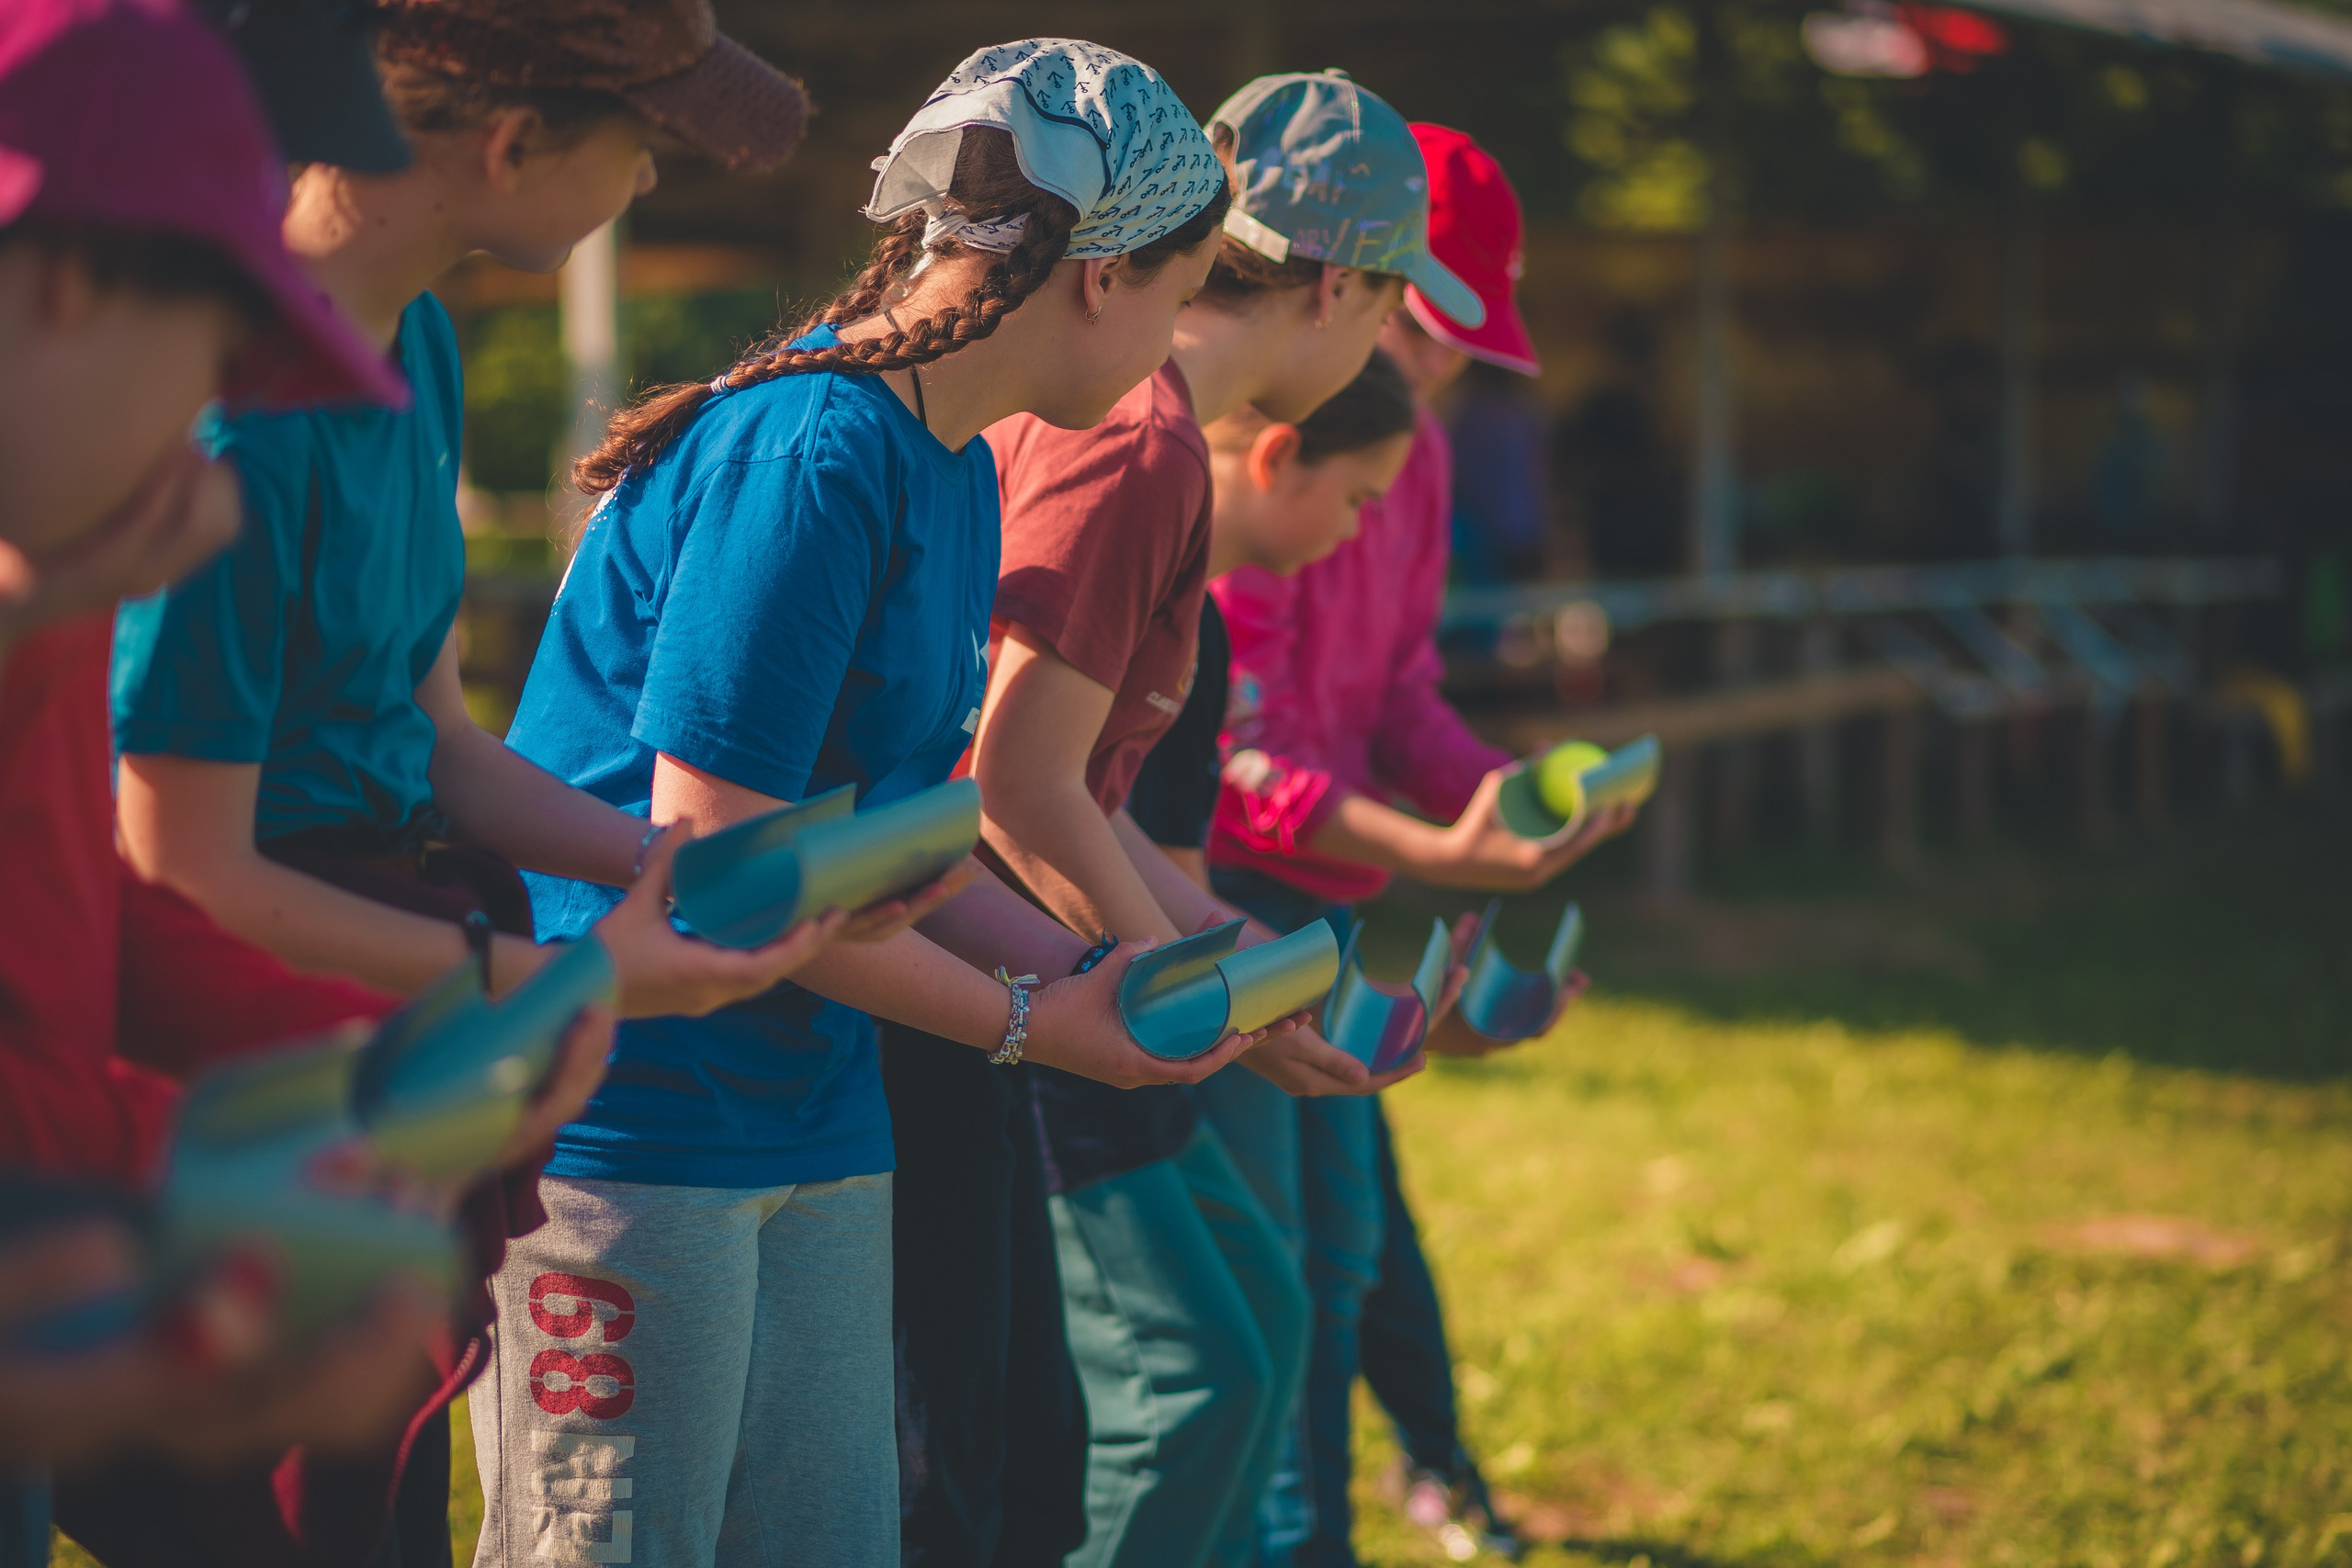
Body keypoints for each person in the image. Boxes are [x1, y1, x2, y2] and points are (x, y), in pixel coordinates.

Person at [484, 40, 1258, 1567]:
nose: (1180, 342)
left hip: (817, 1107)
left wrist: (1095, 975)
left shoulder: (951, 461)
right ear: (1101, 278)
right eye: (1182, 294)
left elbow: (896, 846)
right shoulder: (812, 452)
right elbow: (727, 873)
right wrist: (1039, 1028)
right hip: (635, 1124)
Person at [98, 2, 845, 1561]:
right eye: (642, 143)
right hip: (228, 1081)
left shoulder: (414, 329)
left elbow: (423, 731)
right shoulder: (230, 402)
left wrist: (654, 861)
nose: (648, 187)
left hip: (386, 1031)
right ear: (512, 145)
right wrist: (546, 986)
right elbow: (186, 869)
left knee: (381, 1512)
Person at [0, 4, 604, 1564]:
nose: (216, 459)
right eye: (215, 357)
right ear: (63, 290)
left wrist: (345, 1110)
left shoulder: (57, 588)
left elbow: (85, 954)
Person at [1209, 124, 1638, 1567]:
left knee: (1339, 1255)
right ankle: (1299, 1532)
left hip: (1327, 899)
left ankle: (1356, 1510)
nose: (1440, 368)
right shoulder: (1265, 461)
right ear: (1364, 296)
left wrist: (1510, 797)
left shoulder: (1415, 454)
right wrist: (1444, 848)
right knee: (1283, 1274)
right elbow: (1232, 757)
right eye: (1429, 328)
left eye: (1457, 345)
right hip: (1215, 892)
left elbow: (1399, 696)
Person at [1035, 353, 1421, 1568]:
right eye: (1361, 499)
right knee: (1196, 1383)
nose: (1365, 533)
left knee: (1268, 1328)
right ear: (1279, 455)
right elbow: (1021, 802)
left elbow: (1161, 862)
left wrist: (1260, 976)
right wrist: (1223, 982)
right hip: (1055, 1044)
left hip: (1141, 1032)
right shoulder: (1125, 521)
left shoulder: (1191, 625)